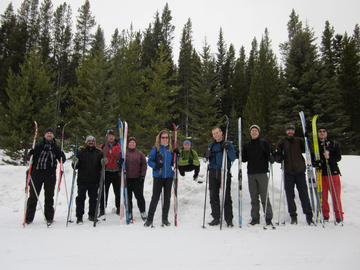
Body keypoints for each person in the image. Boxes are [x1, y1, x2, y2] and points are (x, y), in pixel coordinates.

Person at [274, 124, 314, 225]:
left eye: (292, 130)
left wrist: (307, 139)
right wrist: (279, 155)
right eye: (288, 130)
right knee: (289, 195)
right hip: (288, 172)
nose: (290, 131)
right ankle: (293, 216)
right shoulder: (282, 142)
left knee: (304, 194)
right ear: (286, 131)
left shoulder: (299, 141)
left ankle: (309, 216)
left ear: (294, 131)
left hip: (300, 171)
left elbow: (309, 149)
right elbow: (278, 159)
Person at [25, 127, 66, 225]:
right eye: (47, 133)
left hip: (50, 175)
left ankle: (49, 217)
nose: (49, 135)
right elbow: (29, 157)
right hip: (37, 173)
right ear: (44, 135)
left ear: (53, 136)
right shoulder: (39, 145)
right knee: (33, 196)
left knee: (49, 197)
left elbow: (62, 160)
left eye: (51, 133)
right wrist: (30, 154)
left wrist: (61, 156)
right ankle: (29, 218)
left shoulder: (56, 147)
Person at [242, 125, 273, 226]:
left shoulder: (264, 143)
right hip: (251, 174)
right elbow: (244, 159)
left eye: (255, 131)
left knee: (264, 196)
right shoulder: (247, 145)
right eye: (252, 131)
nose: (254, 132)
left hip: (262, 173)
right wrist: (241, 152)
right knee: (254, 198)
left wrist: (271, 157)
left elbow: (269, 154)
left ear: (258, 132)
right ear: (250, 133)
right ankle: (255, 218)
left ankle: (268, 217)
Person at [205, 127, 236, 227]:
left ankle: (229, 219)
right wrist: (207, 155)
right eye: (214, 134)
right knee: (213, 196)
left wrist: (228, 148)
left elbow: (233, 157)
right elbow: (207, 158)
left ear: (221, 133)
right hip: (213, 173)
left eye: (217, 133)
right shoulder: (211, 145)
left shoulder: (227, 143)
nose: (216, 135)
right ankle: (216, 217)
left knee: (226, 196)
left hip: (224, 171)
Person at [144, 130, 175, 227]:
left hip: (169, 177)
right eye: (163, 137)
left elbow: (173, 162)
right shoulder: (156, 149)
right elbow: (149, 161)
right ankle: (149, 219)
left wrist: (177, 155)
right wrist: (156, 165)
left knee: (167, 199)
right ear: (160, 138)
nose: (165, 139)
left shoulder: (170, 149)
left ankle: (165, 219)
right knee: (155, 198)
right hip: (158, 176)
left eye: (167, 137)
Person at [316, 126, 344, 223]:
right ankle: (325, 215)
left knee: (336, 196)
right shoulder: (316, 145)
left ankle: (338, 216)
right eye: (320, 131)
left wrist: (329, 157)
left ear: (326, 133)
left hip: (333, 173)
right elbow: (313, 157)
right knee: (323, 197)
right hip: (321, 174)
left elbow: (338, 157)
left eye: (324, 131)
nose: (322, 133)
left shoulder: (333, 143)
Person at [72, 135, 102, 224]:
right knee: (80, 198)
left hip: (94, 180)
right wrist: (75, 162)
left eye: (92, 141)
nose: (91, 142)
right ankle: (79, 216)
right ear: (86, 142)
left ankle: (92, 215)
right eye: (89, 141)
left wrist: (104, 162)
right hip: (82, 180)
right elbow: (75, 167)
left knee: (93, 199)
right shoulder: (81, 152)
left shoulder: (98, 153)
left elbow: (102, 167)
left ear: (94, 142)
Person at [98, 130, 122, 215]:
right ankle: (102, 209)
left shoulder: (119, 146)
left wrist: (121, 161)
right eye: (109, 136)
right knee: (104, 192)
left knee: (118, 191)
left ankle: (119, 207)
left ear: (114, 137)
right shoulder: (102, 146)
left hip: (116, 172)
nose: (111, 137)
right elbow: (97, 156)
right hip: (106, 172)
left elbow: (124, 155)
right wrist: (102, 161)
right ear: (107, 137)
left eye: (112, 135)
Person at [125, 137, 147, 222]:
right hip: (127, 179)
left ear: (135, 144)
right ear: (128, 144)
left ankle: (143, 211)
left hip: (137, 179)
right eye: (130, 143)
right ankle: (129, 212)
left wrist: (142, 175)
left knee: (140, 196)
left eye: (133, 143)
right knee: (128, 197)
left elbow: (144, 165)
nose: (132, 144)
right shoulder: (124, 153)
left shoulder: (139, 153)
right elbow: (119, 164)